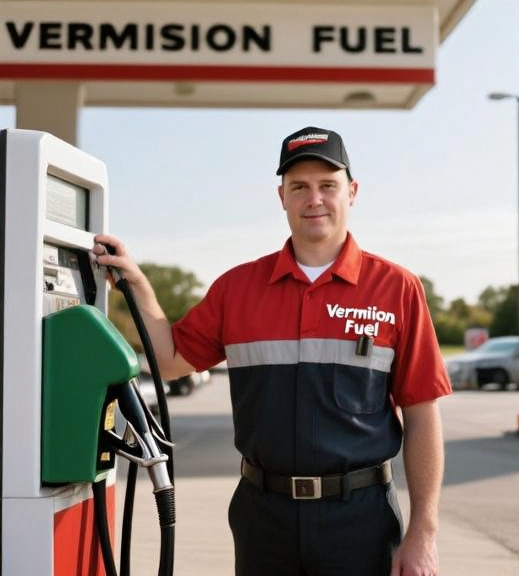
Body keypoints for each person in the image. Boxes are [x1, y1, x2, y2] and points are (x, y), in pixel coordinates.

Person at [93, 126, 451, 576]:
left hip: (360, 520)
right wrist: (138, 285)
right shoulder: (237, 289)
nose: (313, 199)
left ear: (352, 192)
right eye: (299, 187)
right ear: (282, 196)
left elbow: (422, 417)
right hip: (263, 519)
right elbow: (169, 360)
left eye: (327, 186)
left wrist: (424, 531)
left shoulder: (396, 289)